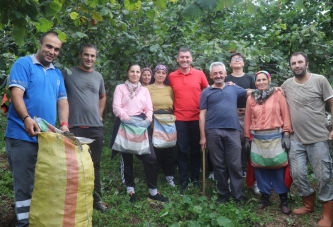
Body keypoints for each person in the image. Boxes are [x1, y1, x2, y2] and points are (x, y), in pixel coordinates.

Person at [4, 31, 69, 226]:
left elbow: (63, 101)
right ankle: (23, 224)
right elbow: (16, 94)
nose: (52, 52)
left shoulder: (57, 73)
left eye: (56, 49)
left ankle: (38, 221)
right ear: (39, 44)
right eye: (49, 46)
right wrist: (26, 118)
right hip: (22, 136)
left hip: (46, 139)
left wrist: (64, 124)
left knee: (42, 184)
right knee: (24, 185)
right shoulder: (24, 64)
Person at [281, 52, 333, 226]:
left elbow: (332, 104)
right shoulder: (287, 85)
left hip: (318, 137)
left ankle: (327, 214)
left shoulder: (320, 80)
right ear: (290, 66)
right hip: (296, 139)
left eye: (300, 62)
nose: (297, 65)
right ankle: (308, 204)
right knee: (297, 173)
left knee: (324, 176)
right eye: (293, 63)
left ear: (307, 64)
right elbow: (273, 96)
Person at [111, 64, 169, 203]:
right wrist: (128, 119)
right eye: (132, 71)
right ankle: (130, 189)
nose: (135, 74)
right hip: (125, 125)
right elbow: (116, 107)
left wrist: (147, 121)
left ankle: (153, 191)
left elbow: (149, 108)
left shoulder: (144, 90)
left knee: (150, 158)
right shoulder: (120, 88)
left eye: (137, 72)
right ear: (127, 73)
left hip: (142, 127)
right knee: (127, 158)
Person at [62, 44, 108, 212]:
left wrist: (100, 113)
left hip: (95, 127)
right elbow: (59, 95)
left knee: (95, 165)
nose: (89, 58)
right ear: (80, 55)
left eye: (93, 56)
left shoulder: (98, 77)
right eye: (86, 55)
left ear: (96, 58)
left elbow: (103, 96)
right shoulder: (68, 73)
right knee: (74, 165)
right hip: (74, 128)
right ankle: (75, 201)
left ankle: (97, 200)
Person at [199, 62, 253, 204]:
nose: (218, 75)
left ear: (225, 73)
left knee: (235, 165)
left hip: (233, 131)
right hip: (213, 131)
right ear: (210, 75)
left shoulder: (233, 88)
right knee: (218, 165)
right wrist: (203, 137)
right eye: (215, 73)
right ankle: (223, 194)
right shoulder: (206, 92)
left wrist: (273, 89)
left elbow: (250, 92)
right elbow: (202, 114)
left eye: (220, 72)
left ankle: (237, 196)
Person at [244, 70, 292, 214]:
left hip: (276, 136)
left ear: (269, 80)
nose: (261, 82)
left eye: (264, 79)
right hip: (257, 138)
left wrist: (287, 134)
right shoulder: (251, 98)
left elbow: (286, 114)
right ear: (255, 83)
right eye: (258, 80)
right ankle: (265, 198)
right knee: (260, 166)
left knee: (278, 165)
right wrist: (247, 138)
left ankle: (283, 199)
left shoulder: (278, 95)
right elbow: (247, 118)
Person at [168, 48, 209, 194]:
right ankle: (184, 180)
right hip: (179, 118)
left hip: (197, 118)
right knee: (182, 150)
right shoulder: (171, 76)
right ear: (177, 59)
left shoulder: (199, 74)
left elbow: (208, 90)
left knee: (196, 149)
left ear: (191, 59)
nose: (184, 60)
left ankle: (195, 178)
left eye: (187, 57)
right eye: (181, 57)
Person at [225, 52, 260, 195]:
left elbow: (258, 93)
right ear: (230, 64)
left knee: (252, 148)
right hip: (232, 118)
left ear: (244, 63)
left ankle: (255, 180)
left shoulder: (250, 78)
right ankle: (233, 179)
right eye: (234, 59)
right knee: (235, 148)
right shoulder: (226, 78)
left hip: (250, 118)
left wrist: (246, 94)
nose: (237, 61)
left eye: (240, 59)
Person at [147, 64, 176, 187]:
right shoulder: (147, 88)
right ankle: (153, 176)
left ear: (166, 75)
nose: (161, 75)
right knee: (155, 149)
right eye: (158, 72)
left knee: (169, 148)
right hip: (153, 121)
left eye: (163, 73)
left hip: (168, 121)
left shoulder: (169, 89)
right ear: (154, 74)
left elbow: (174, 104)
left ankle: (169, 176)